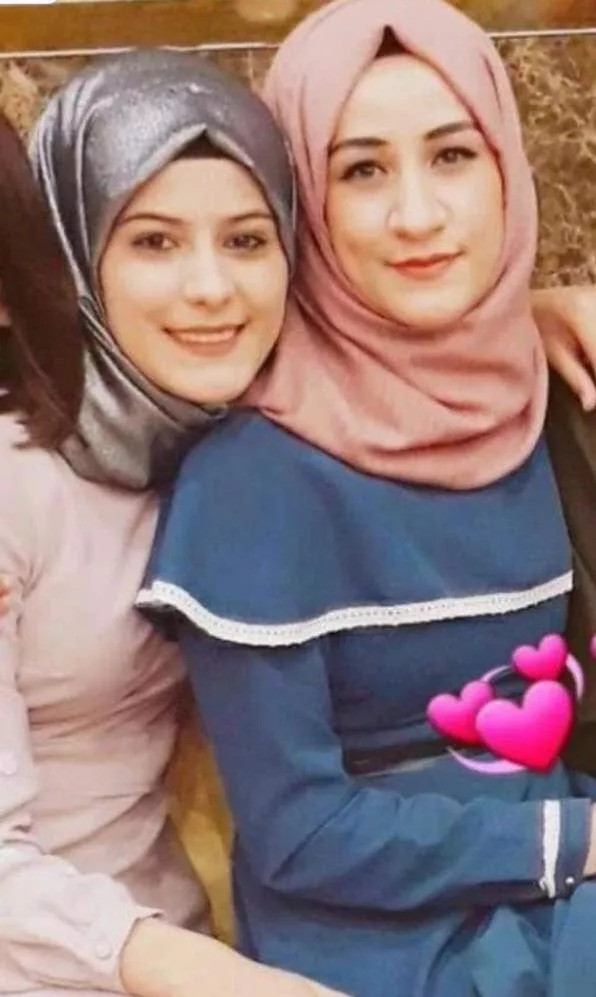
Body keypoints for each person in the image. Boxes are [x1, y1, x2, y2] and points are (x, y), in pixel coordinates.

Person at [138, 2, 596, 994]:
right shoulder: (254, 481)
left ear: (507, 172)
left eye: (451, 156)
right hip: (385, 935)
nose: (416, 215)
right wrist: (573, 838)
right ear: (303, 200)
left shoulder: (539, 394)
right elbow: (301, 833)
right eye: (360, 171)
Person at [0, 49, 344, 997]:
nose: (211, 288)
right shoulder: (18, 478)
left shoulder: (247, 442)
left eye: (247, 240)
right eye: (153, 242)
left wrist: (535, 316)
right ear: (73, 258)